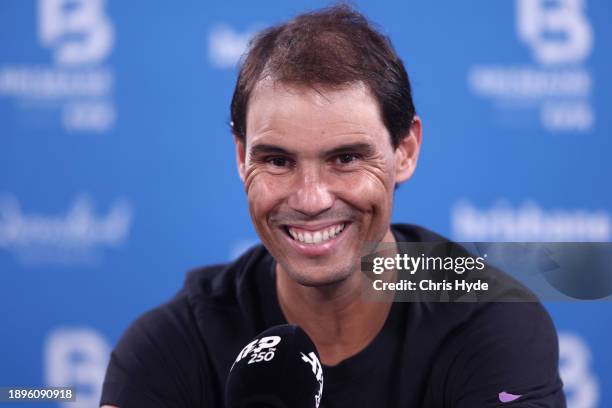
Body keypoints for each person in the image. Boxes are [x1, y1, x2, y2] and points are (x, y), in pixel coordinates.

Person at [100, 5, 565, 407]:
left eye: (345, 158)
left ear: (405, 151)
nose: (311, 199)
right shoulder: (173, 344)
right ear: (241, 159)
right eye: (278, 161)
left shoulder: (491, 321)